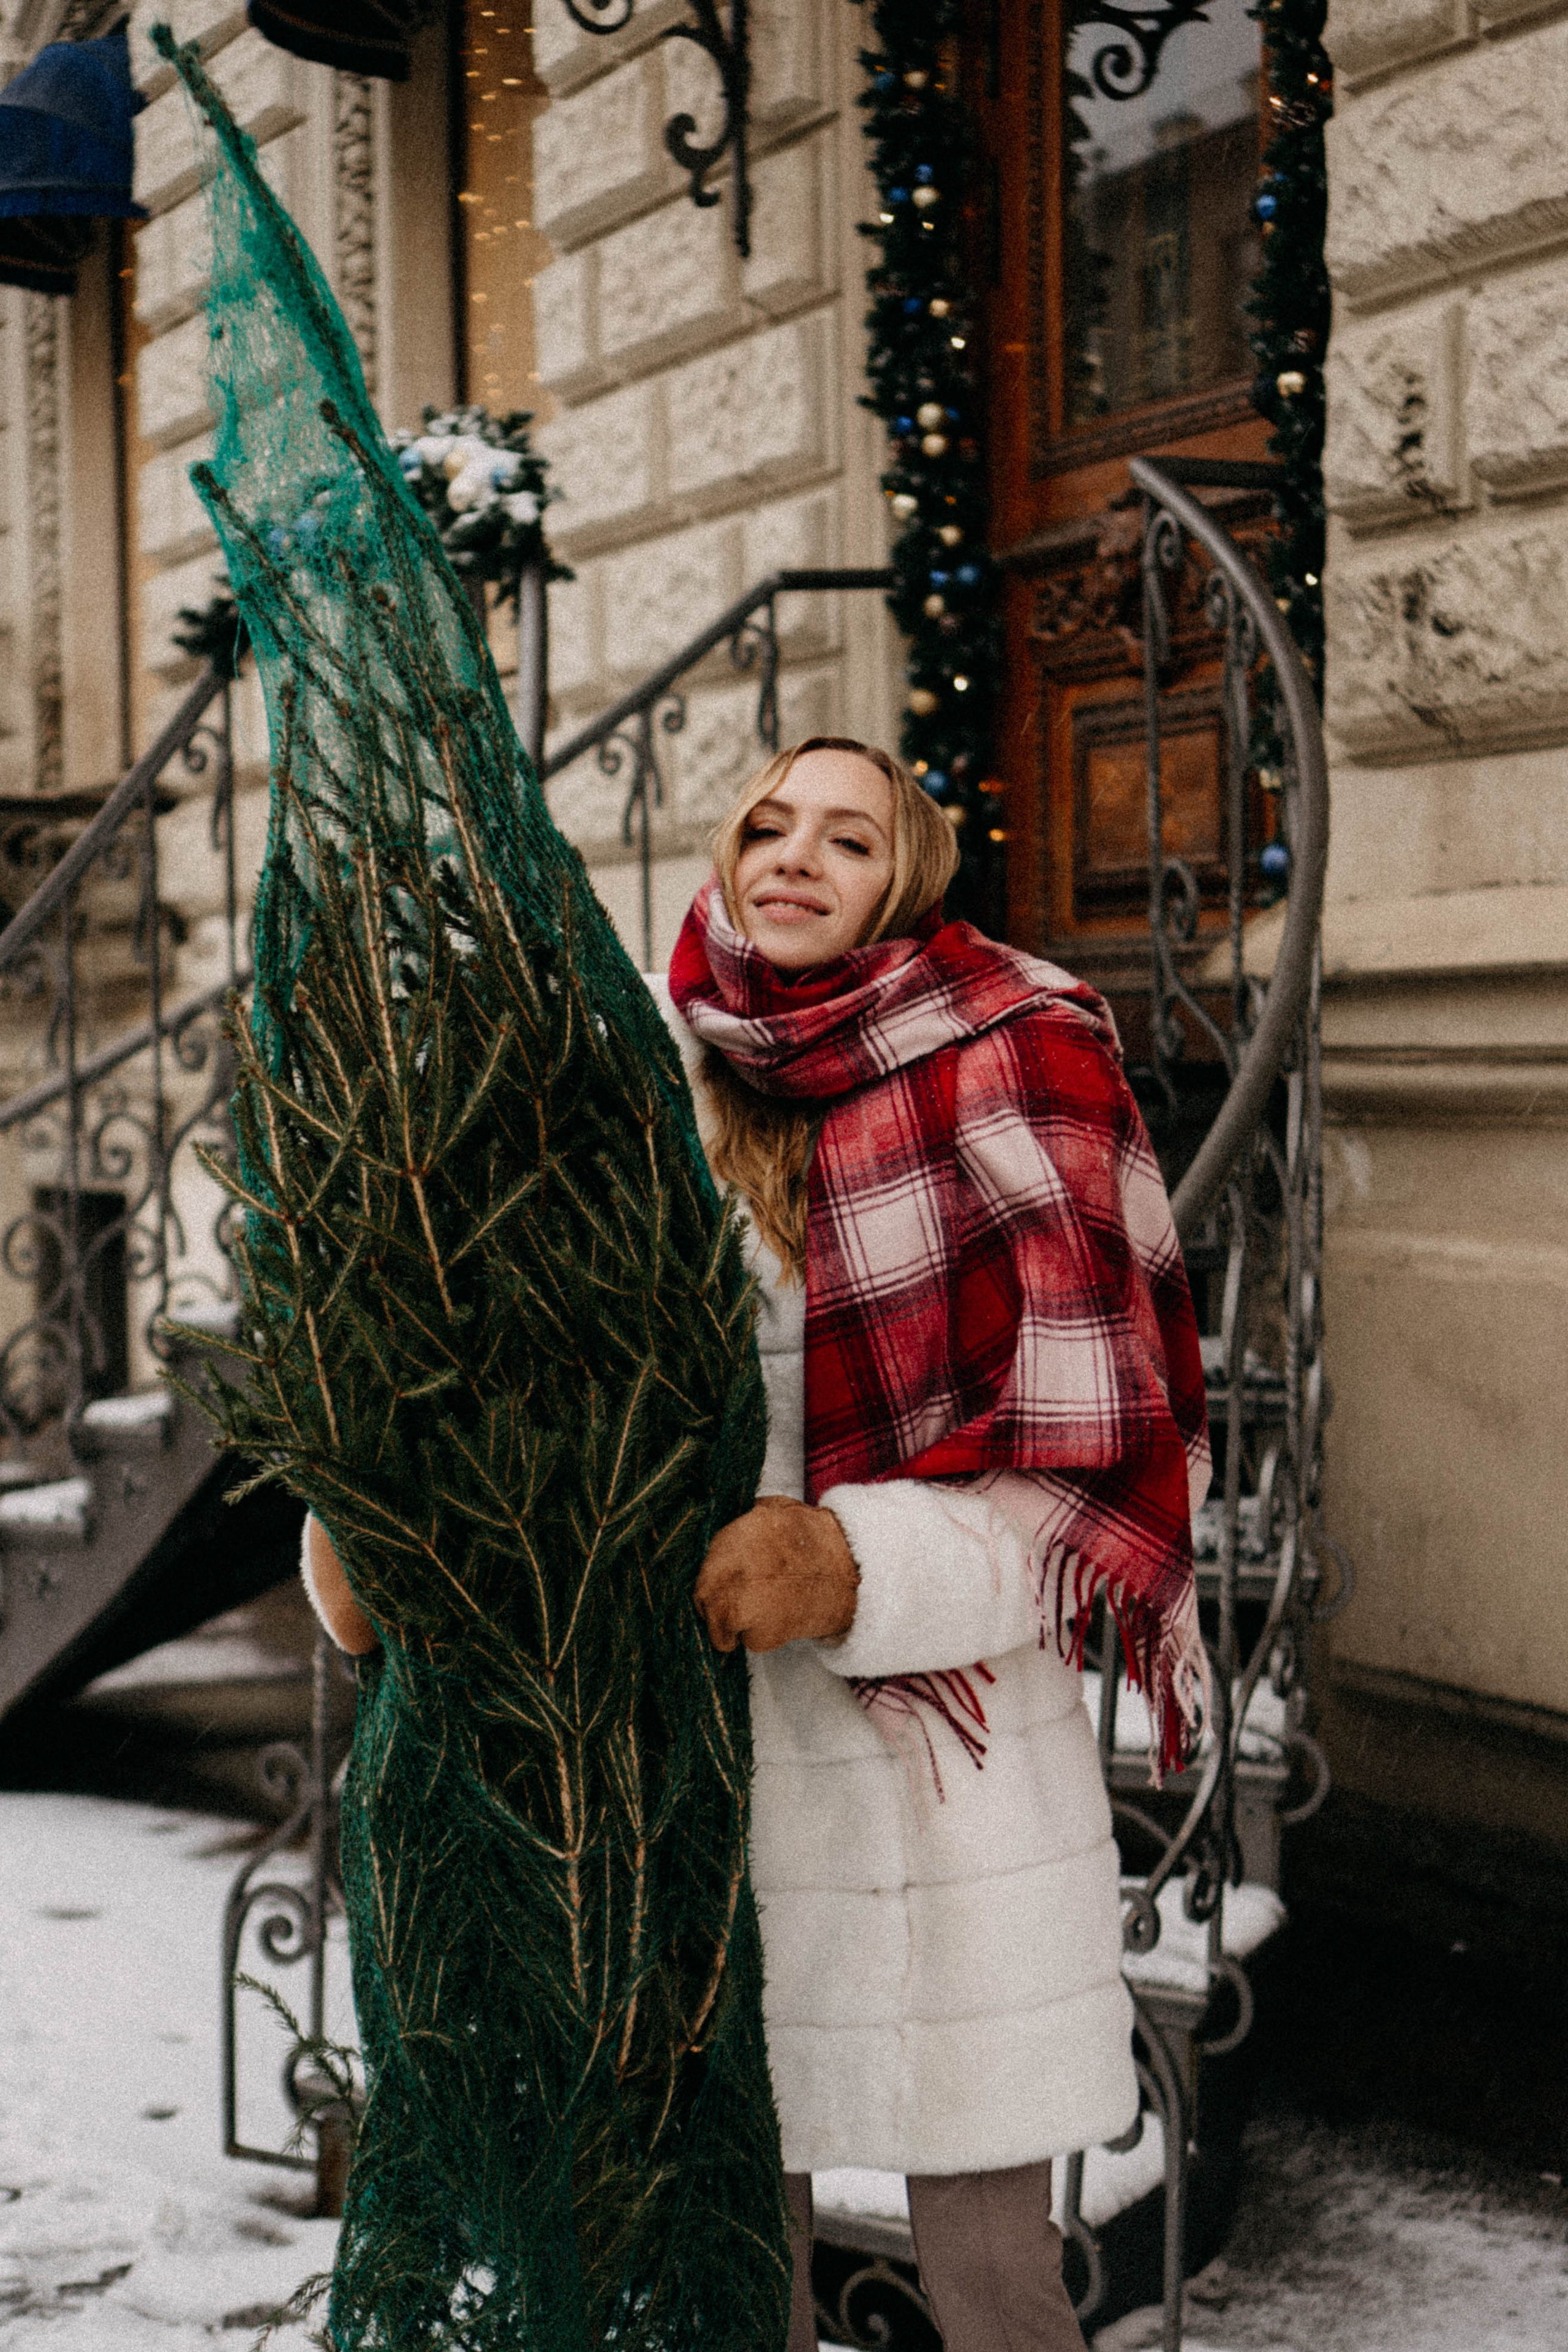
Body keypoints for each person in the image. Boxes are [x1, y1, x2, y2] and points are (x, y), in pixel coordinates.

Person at [304, 735, 1210, 2352]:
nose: (797, 855)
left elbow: (1090, 1479)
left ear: (906, 882)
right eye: (769, 825)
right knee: (733, 2274)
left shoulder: (1019, 1056)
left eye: (849, 838)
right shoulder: (641, 1084)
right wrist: (400, 1526)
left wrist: (859, 1566)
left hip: (946, 1785)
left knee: (994, 2277)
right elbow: (517, 1369)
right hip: (697, 1768)